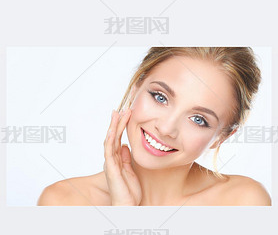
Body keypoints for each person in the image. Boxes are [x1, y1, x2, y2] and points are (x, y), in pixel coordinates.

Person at [37, 47, 271, 206]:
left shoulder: (242, 202)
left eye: (199, 119)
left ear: (222, 137)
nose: (167, 128)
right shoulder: (63, 201)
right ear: (135, 89)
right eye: (160, 97)